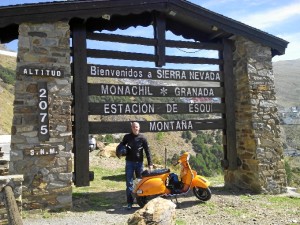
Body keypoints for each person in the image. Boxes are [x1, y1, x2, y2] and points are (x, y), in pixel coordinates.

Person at [120, 122, 153, 210]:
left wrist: (150, 164)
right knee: (129, 183)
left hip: (139, 163)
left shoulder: (143, 138)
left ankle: (140, 201)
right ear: (132, 128)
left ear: (139, 128)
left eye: (137, 127)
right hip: (129, 162)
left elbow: (147, 151)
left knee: (140, 183)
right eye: (134, 127)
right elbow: (121, 145)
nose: (135, 128)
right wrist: (121, 150)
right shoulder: (127, 137)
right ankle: (130, 202)